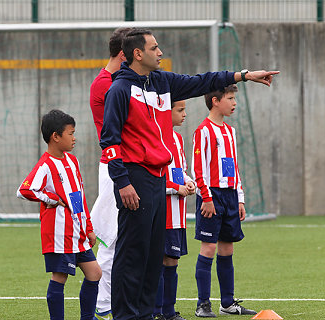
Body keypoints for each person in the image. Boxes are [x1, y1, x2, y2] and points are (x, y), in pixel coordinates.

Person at [99, 27, 278, 320]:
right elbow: (109, 140)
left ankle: (144, 314)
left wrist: (244, 75)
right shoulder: (119, 89)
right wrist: (122, 181)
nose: (161, 52)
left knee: (153, 255)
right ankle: (125, 316)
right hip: (135, 178)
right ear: (137, 54)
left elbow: (203, 81)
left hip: (157, 179)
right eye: (155, 48)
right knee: (133, 252)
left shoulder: (162, 82)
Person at [17, 109, 102, 320]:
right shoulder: (45, 165)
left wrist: (89, 228)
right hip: (59, 235)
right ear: (56, 136)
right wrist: (51, 198)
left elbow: (80, 198)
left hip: (79, 232)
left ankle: (87, 317)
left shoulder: (72, 161)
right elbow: (25, 190)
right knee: (60, 276)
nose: (74, 138)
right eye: (70, 133)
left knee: (95, 273)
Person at [192, 84, 256, 318]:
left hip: (230, 196)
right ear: (215, 101)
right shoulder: (203, 131)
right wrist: (206, 198)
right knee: (209, 248)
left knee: (227, 248)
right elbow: (198, 169)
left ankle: (227, 303)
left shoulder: (230, 131)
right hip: (212, 196)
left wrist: (239, 198)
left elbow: (234, 166)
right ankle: (202, 304)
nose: (234, 102)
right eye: (230, 98)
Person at [89, 27, 131, 320]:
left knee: (124, 236)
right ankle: (103, 302)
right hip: (115, 166)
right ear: (124, 54)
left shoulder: (118, 80)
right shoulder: (106, 83)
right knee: (110, 236)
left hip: (128, 166)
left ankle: (116, 299)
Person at [153, 100, 195, 320]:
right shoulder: (155, 138)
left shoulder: (177, 139)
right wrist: (175, 189)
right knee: (160, 261)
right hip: (163, 213)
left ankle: (169, 310)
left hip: (179, 214)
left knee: (173, 261)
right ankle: (158, 311)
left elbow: (181, 170)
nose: (184, 114)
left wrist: (189, 182)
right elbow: (153, 181)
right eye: (180, 110)